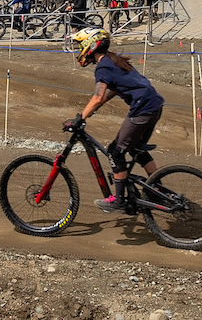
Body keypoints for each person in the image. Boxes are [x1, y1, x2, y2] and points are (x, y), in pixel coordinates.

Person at [67, 27, 164, 212]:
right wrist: (92, 109)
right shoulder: (113, 60)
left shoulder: (103, 66)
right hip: (154, 105)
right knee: (136, 148)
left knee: (115, 151)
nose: (79, 50)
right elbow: (111, 91)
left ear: (91, 45)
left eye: (80, 45)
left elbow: (98, 96)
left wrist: (80, 118)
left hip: (142, 109)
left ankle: (118, 200)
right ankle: (156, 188)